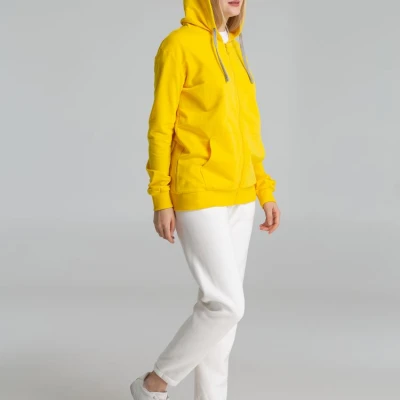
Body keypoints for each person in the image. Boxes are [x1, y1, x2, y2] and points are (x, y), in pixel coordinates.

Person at [130, 0, 281, 399]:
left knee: (221, 318)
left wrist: (263, 189)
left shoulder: (234, 47)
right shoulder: (178, 45)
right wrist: (161, 197)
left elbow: (249, 130)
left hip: (241, 196)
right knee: (227, 304)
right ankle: (154, 384)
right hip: (197, 189)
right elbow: (160, 127)